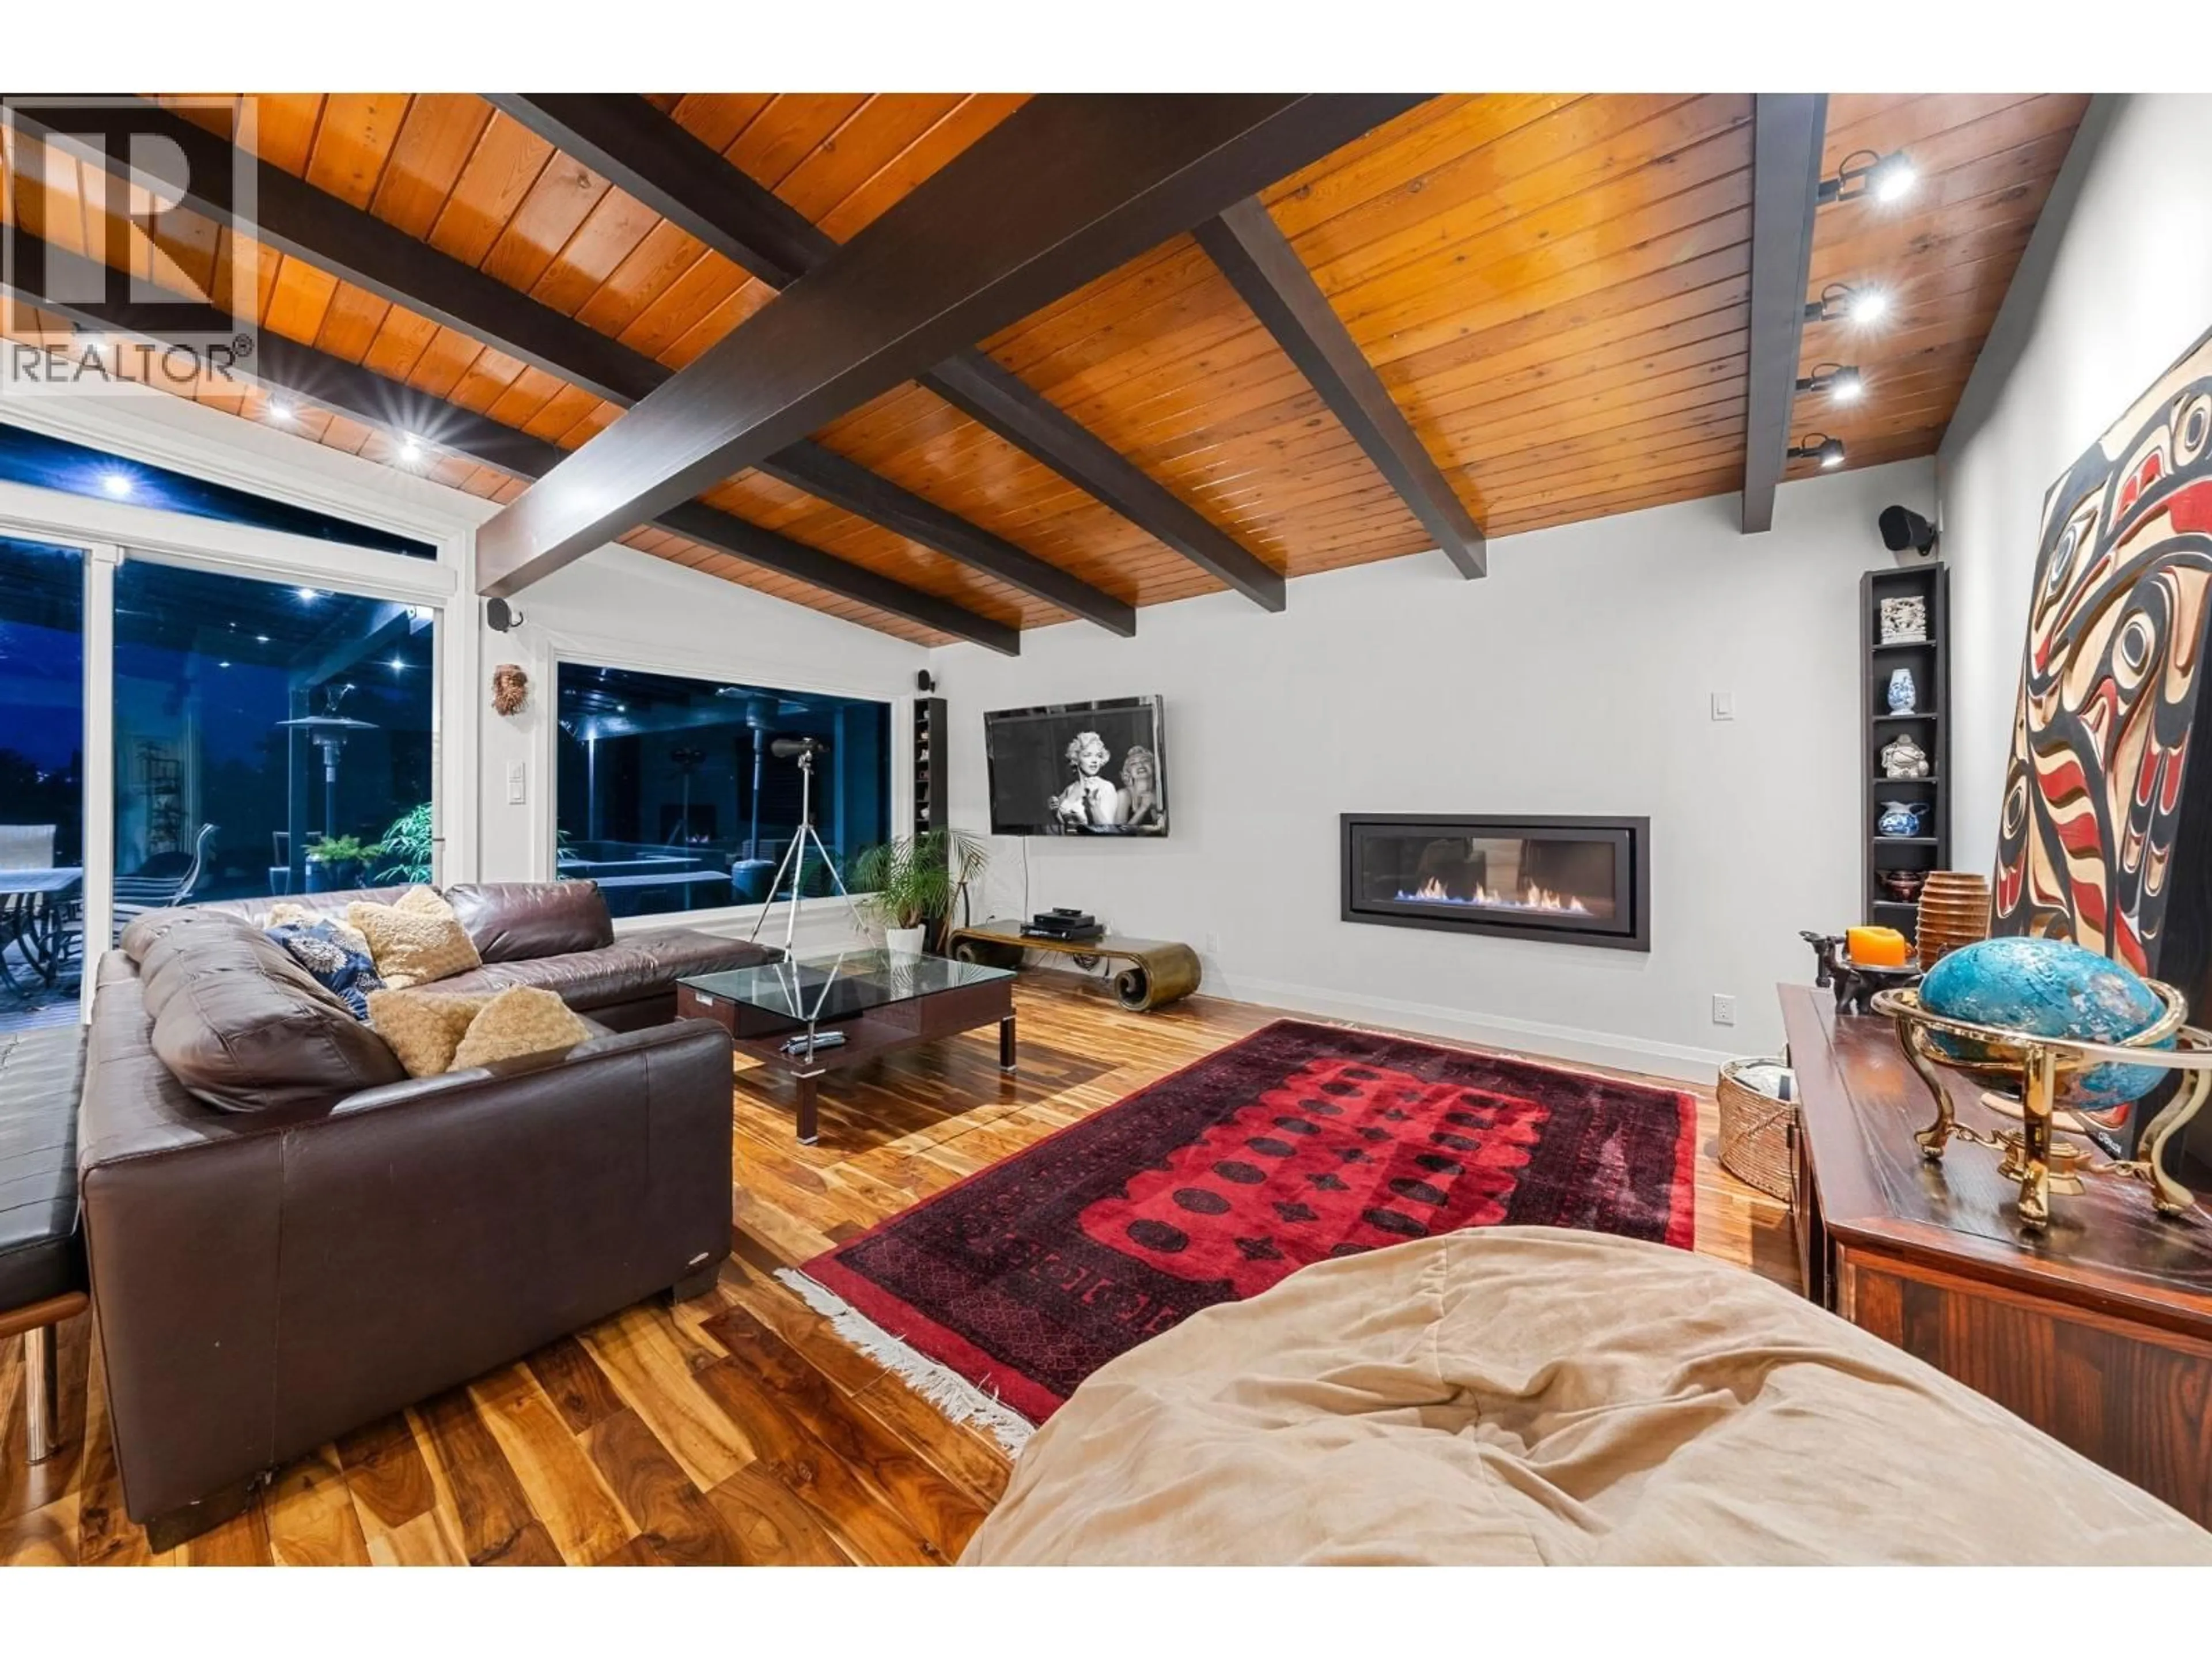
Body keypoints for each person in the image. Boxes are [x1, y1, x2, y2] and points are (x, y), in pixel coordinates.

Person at [1048, 730, 1124, 831]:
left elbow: (1108, 830)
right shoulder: (1070, 789)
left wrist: (1094, 805)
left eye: (1098, 755)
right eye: (1088, 755)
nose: (1094, 760)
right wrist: (1055, 811)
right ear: (1076, 759)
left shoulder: (1106, 787)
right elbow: (1066, 826)